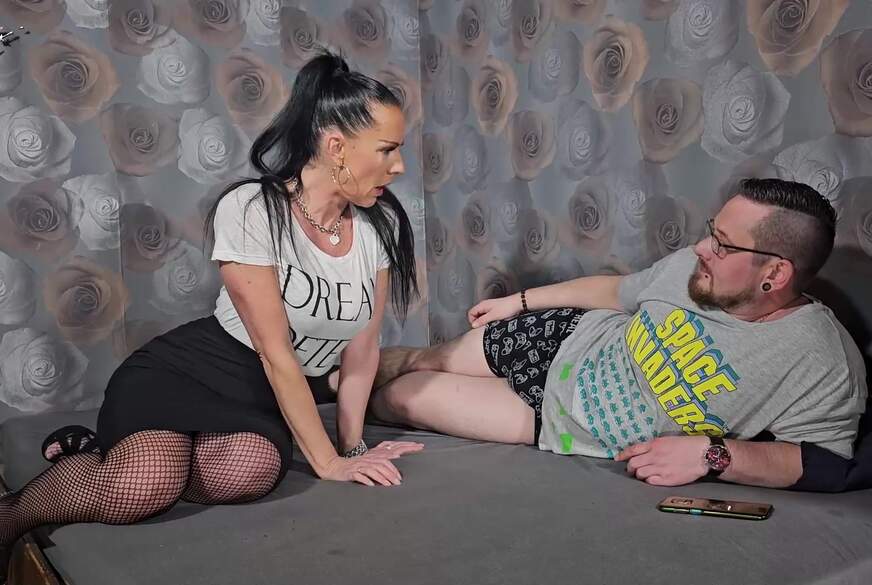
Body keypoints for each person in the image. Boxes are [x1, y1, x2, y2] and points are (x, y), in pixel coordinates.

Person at [0, 51, 424, 569]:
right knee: (146, 482)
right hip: (189, 372)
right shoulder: (252, 209)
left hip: (259, 397)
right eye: (387, 150)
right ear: (336, 146)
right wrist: (329, 463)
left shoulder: (380, 225)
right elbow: (275, 352)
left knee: (249, 472)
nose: (399, 167)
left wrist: (353, 448)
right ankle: (11, 513)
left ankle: (99, 450)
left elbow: (362, 349)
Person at [372, 178, 867, 488]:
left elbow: (825, 462)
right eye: (711, 230)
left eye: (722, 243)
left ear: (775, 273)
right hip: (562, 336)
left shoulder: (822, 361)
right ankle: (330, 378)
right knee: (420, 360)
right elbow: (616, 291)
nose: (701, 247)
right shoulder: (691, 267)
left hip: (553, 420)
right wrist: (519, 302)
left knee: (399, 399)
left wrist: (713, 456)